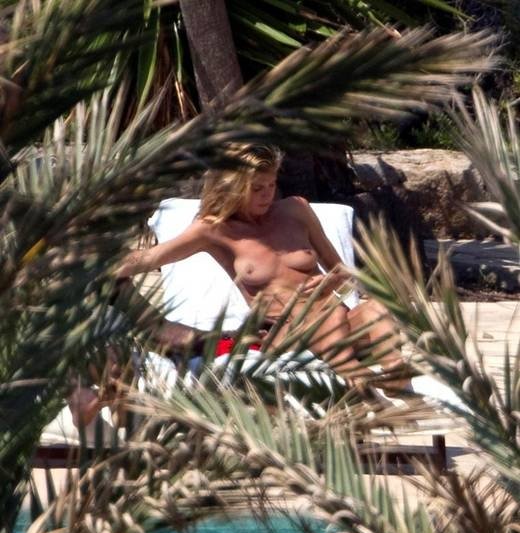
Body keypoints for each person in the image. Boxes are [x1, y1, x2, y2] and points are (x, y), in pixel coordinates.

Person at [117, 144, 409, 393]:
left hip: (339, 319)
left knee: (376, 309)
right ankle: (354, 376)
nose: (267, 194)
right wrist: (104, 267)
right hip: (286, 334)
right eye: (256, 188)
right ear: (233, 186)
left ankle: (396, 377)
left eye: (271, 185)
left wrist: (329, 283)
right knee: (330, 317)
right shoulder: (214, 230)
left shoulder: (296, 210)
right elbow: (151, 258)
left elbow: (343, 274)